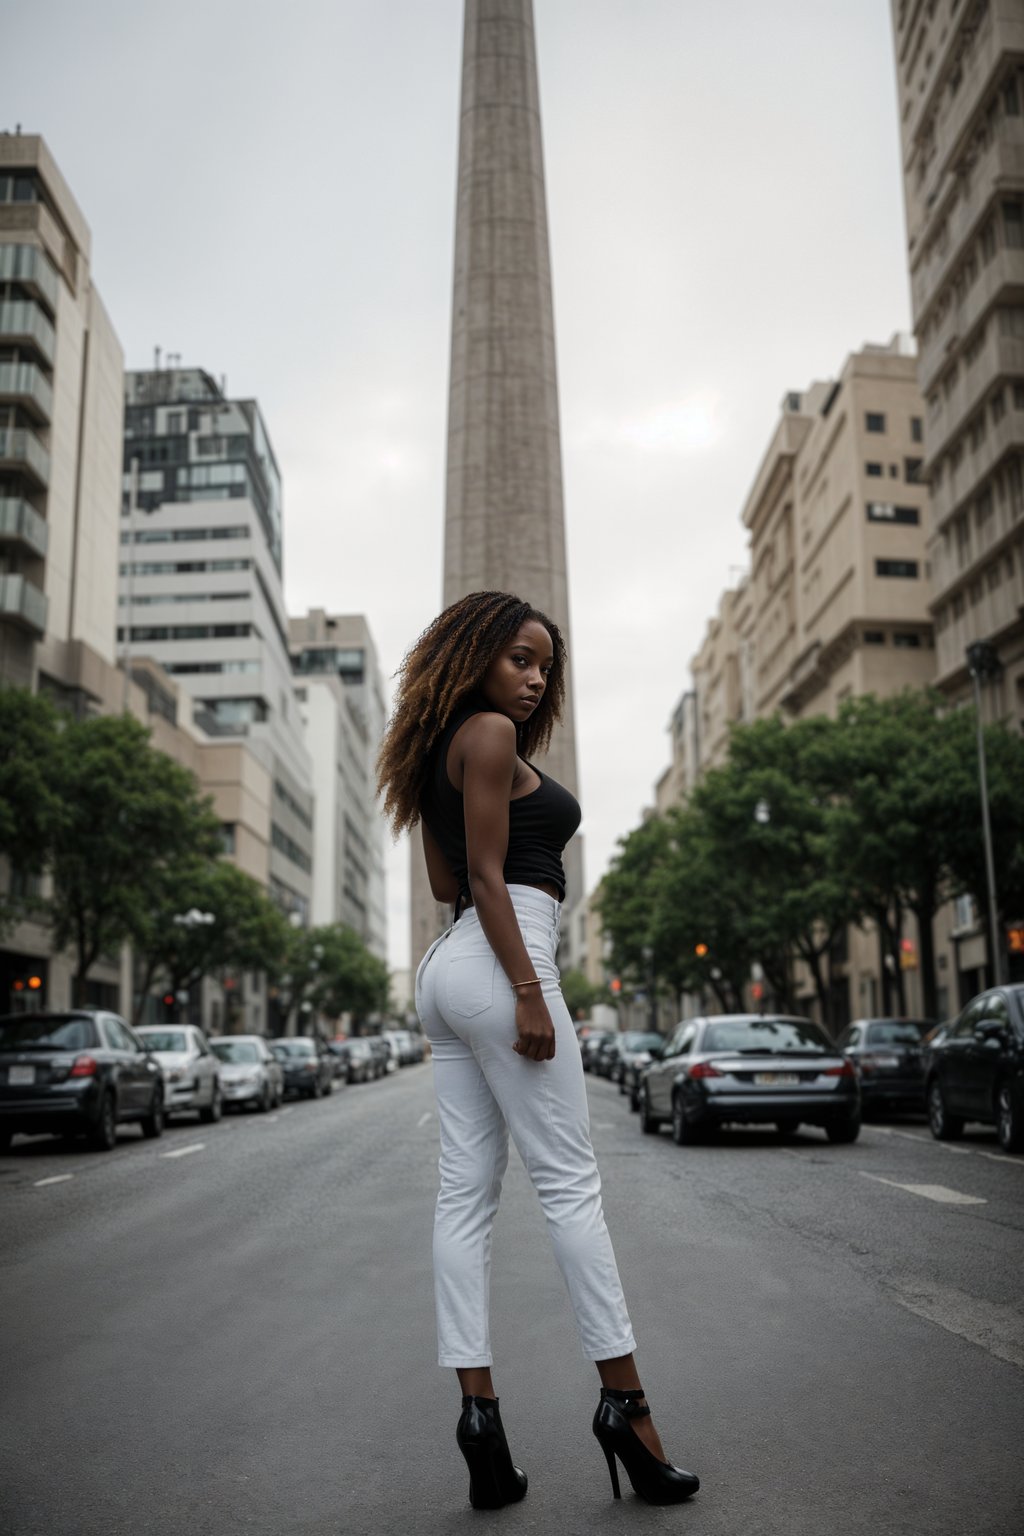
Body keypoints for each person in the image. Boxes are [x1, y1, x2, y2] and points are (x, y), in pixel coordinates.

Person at [376, 590, 699, 1510]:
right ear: (475, 652)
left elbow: (444, 872)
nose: (534, 677)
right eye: (520, 657)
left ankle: (480, 1422)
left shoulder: (445, 749)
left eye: (544, 664)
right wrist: (528, 991)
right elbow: (483, 878)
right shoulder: (487, 735)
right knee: (570, 1190)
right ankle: (629, 1414)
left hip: (450, 972)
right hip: (505, 952)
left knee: (463, 1197)